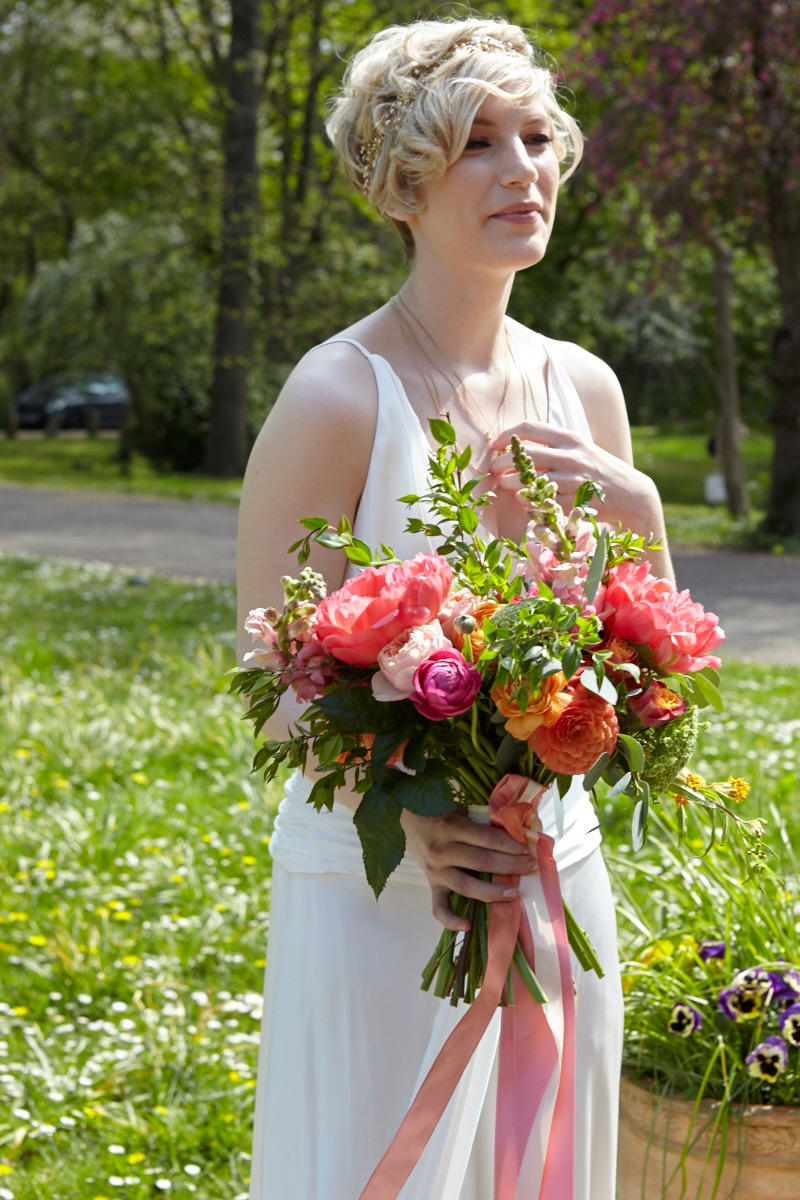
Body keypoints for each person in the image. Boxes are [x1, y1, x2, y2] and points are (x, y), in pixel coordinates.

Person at [237, 17, 674, 1200]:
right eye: (478, 143)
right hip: (385, 887)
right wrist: (417, 818)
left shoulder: (583, 387)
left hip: (553, 870)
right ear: (404, 181)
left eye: (535, 137)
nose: (521, 168)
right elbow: (272, 682)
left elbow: (650, 661)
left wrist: (639, 512)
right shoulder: (337, 394)